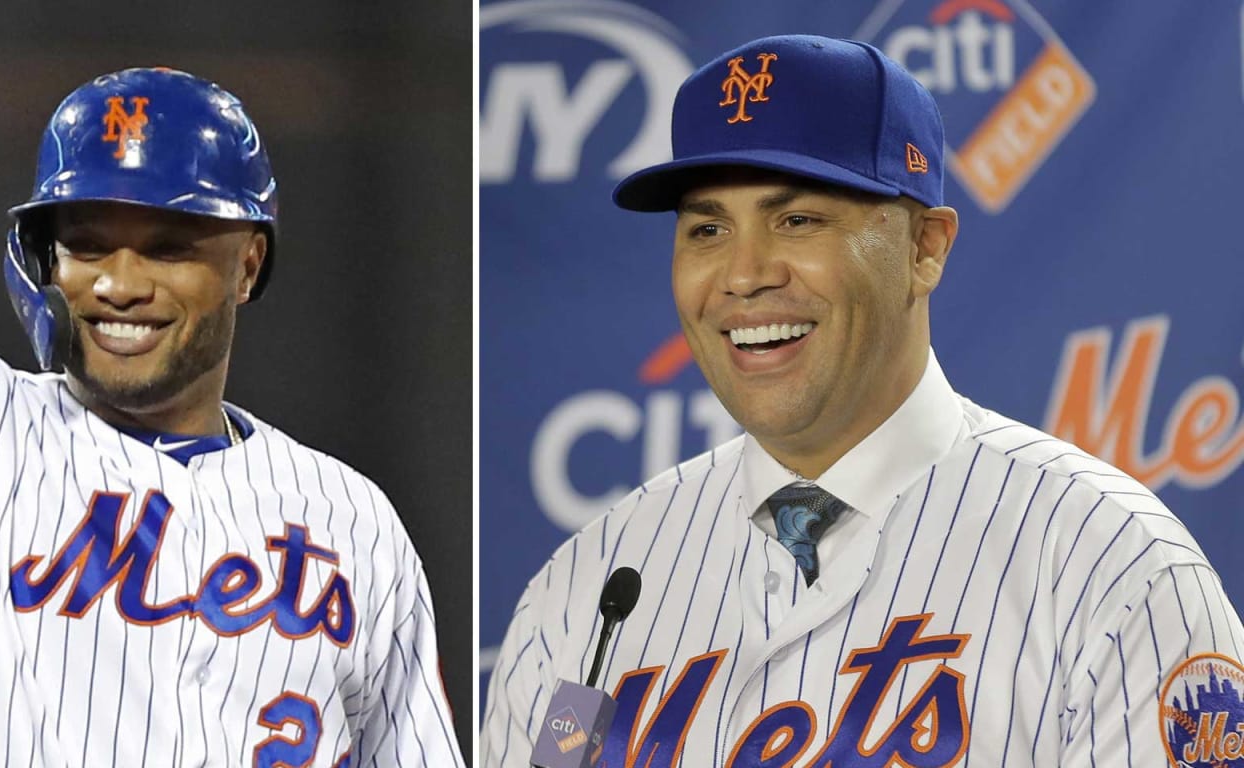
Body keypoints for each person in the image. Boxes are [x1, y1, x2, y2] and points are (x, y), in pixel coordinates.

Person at [0, 3, 462, 765]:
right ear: (44, 261)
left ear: (248, 266)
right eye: (88, 244)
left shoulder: (354, 522)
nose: (120, 283)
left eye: (169, 248)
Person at [482, 33, 1244, 767]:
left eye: (798, 220)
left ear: (925, 248)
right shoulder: (586, 587)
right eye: (708, 228)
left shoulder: (1110, 565)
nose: (743, 275)